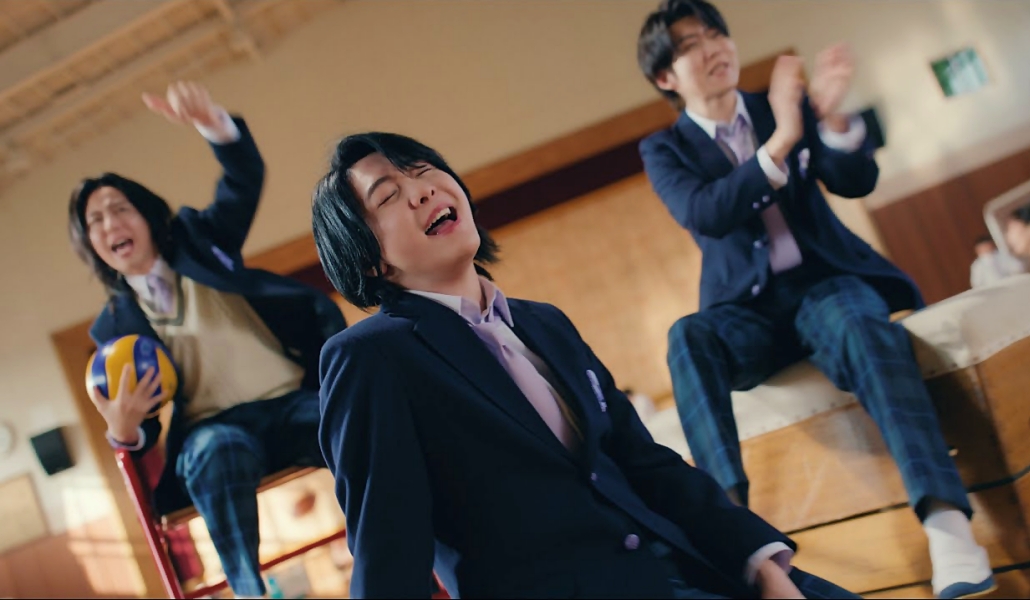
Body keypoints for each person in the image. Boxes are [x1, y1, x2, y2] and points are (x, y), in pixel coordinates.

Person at [311, 131, 858, 599]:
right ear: (370, 259)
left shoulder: (545, 323)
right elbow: (389, 553)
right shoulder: (370, 358)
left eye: (424, 170)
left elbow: (647, 465)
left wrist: (761, 565)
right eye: (389, 196)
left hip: (696, 567)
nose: (423, 190)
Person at [635, 1, 993, 597]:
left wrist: (831, 121)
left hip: (823, 285)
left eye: (716, 33)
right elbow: (707, 212)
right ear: (665, 76)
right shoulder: (664, 149)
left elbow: (856, 180)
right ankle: (736, 540)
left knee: (858, 319)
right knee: (687, 337)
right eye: (691, 44)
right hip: (745, 314)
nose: (714, 47)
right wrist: (782, 141)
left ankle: (949, 528)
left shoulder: (784, 105)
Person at [68, 81, 346, 599]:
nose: (110, 223)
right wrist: (124, 432)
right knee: (215, 451)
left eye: (120, 208)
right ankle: (248, 592)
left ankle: (404, 559)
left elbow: (243, 180)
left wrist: (214, 124)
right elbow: (141, 426)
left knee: (353, 422)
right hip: (216, 430)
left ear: (147, 216)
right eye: (95, 220)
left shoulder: (199, 241)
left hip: (291, 403)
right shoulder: (112, 330)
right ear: (91, 245)